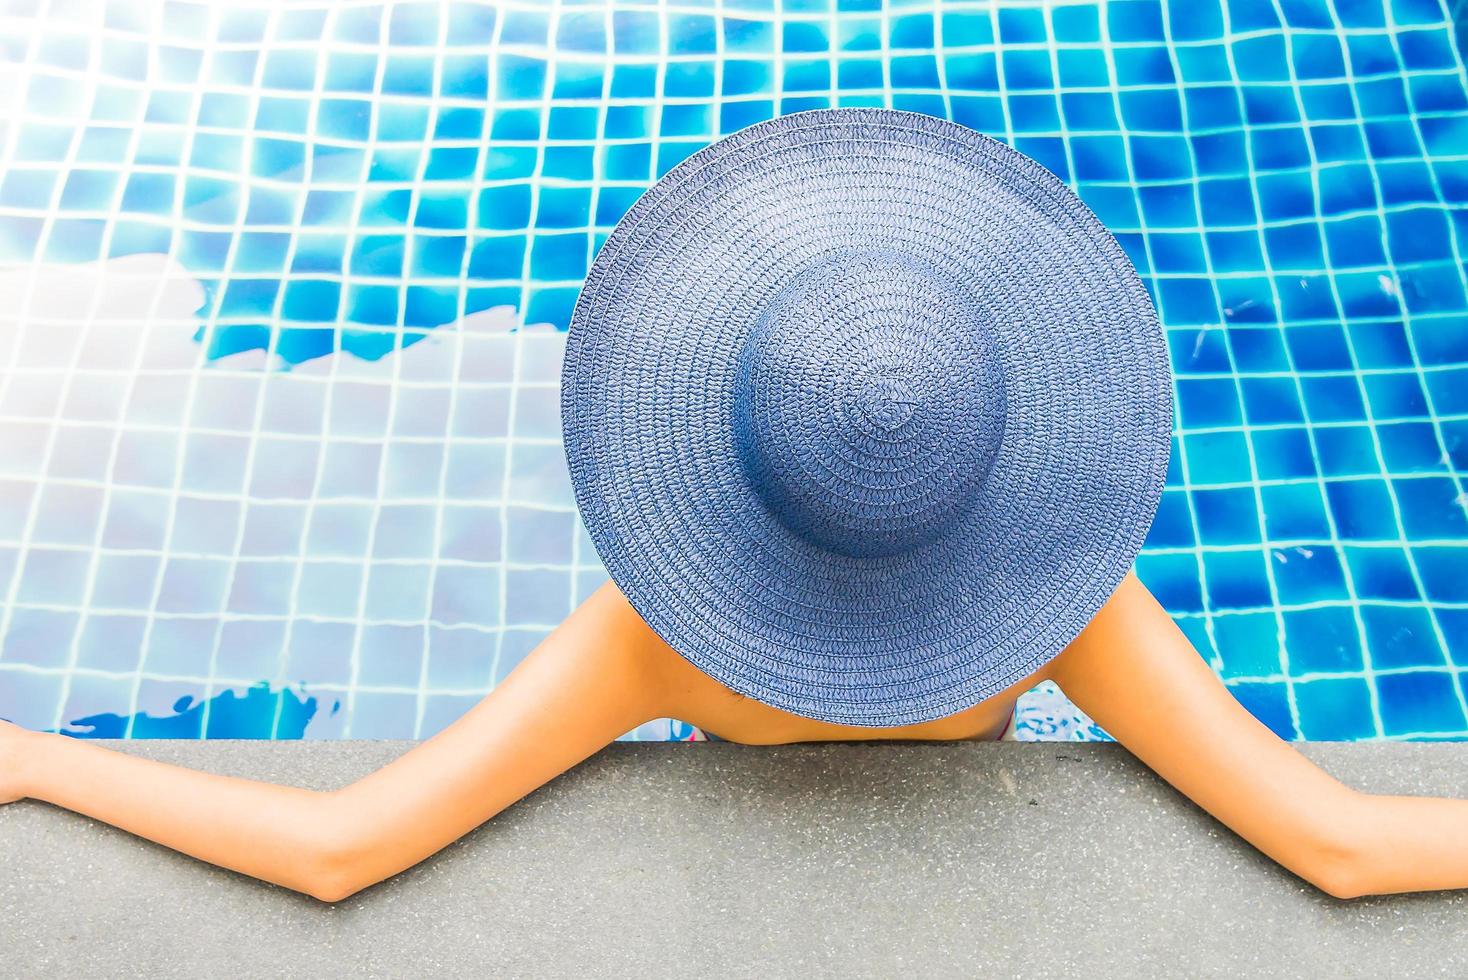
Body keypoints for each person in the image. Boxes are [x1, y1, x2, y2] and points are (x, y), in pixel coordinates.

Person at [4, 108, 1465, 905]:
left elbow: (342, 850)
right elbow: (1340, 846)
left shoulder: (655, 645)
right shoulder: (1064, 612)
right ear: (994, 463)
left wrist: (37, 767)